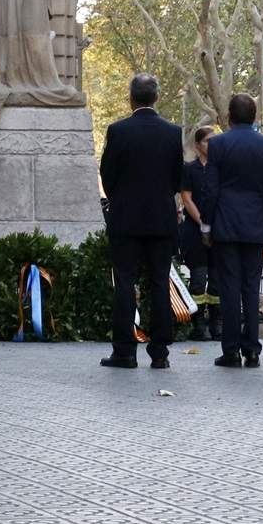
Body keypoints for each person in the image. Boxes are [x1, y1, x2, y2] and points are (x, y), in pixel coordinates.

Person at [97, 73, 184, 369]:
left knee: (124, 283)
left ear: (131, 97)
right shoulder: (173, 132)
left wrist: (122, 199)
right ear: (156, 97)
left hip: (126, 220)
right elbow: (177, 179)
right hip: (160, 220)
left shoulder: (118, 131)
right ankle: (160, 353)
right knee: (159, 283)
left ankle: (124, 351)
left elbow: (107, 174)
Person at [198, 93, 263, 369]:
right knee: (251, 288)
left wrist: (206, 225)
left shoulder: (218, 144)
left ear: (229, 117)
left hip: (226, 225)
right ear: (255, 116)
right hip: (255, 225)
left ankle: (231, 351)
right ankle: (253, 350)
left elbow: (211, 189)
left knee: (230, 288)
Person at [178, 126, 217, 341]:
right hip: (195, 232)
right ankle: (199, 325)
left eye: (214, 140)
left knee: (217, 279)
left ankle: (216, 323)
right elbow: (186, 197)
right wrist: (202, 221)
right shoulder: (189, 169)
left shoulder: (219, 168)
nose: (211, 145)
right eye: (207, 141)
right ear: (197, 145)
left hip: (218, 232)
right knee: (199, 279)